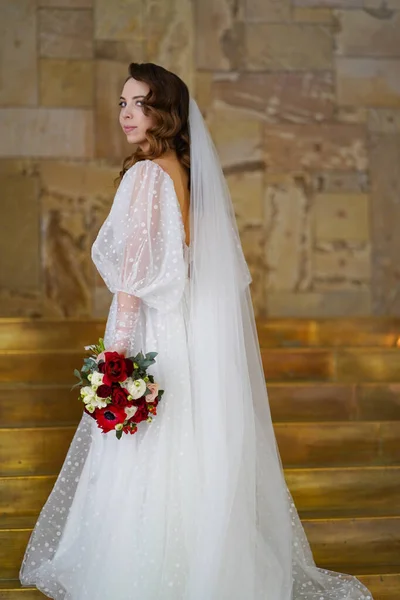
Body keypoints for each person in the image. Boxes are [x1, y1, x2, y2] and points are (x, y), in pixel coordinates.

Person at [19, 62, 374, 600]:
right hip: (189, 339)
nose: (126, 114)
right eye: (122, 103)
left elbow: (132, 281)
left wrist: (115, 356)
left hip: (155, 338)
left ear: (164, 111)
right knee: (187, 454)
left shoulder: (146, 175)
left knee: (149, 457)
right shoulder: (186, 172)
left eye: (138, 103)